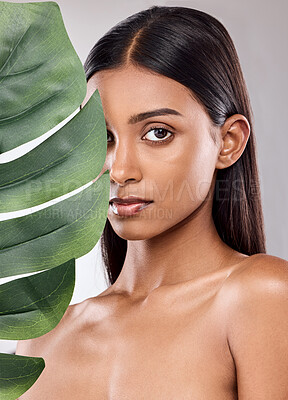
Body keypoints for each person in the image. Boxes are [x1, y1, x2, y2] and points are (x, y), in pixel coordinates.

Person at [16, 6, 288, 399]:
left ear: (228, 142)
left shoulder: (262, 297)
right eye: (102, 137)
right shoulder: (43, 340)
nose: (120, 169)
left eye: (158, 132)